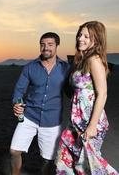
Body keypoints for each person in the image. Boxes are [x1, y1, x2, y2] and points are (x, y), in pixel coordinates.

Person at [55, 21, 118, 174]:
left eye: (86, 36)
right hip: (77, 121)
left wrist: (92, 125)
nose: (80, 39)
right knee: (65, 160)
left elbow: (102, 93)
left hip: (90, 121)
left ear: (96, 40)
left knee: (89, 165)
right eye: (79, 35)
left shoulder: (94, 60)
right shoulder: (82, 60)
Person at [10, 32, 70, 175]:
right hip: (29, 116)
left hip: (52, 121)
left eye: (50, 44)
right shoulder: (30, 67)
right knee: (14, 151)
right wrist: (16, 104)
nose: (46, 48)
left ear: (57, 46)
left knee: (47, 160)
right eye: (42, 45)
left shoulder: (66, 69)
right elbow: (19, 91)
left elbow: (71, 92)